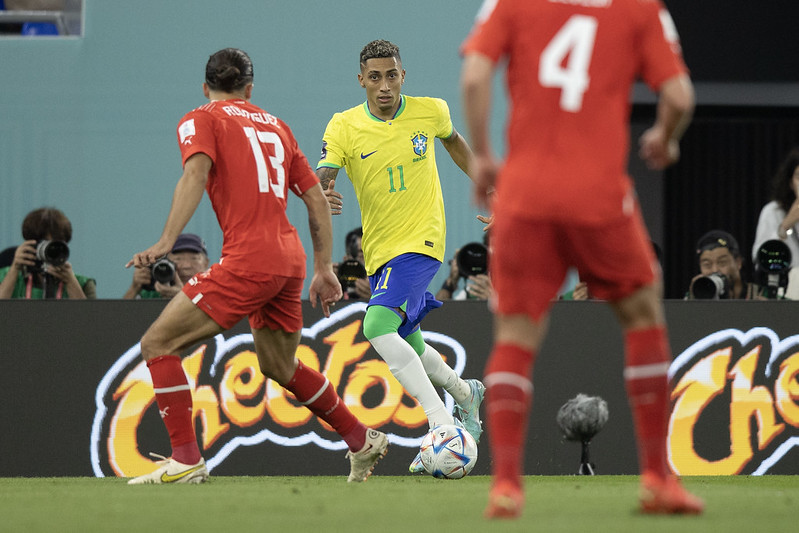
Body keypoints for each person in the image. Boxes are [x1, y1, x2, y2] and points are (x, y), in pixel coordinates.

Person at [461, 0, 703, 518]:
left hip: (524, 198)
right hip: (599, 196)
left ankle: (505, 485)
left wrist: (482, 155)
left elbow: (476, 75)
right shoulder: (639, 10)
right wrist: (666, 136)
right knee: (642, 312)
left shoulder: (510, 3)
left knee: (515, 335)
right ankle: (658, 479)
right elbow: (680, 95)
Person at [125, 48, 387, 485]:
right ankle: (360, 438)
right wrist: (324, 268)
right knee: (280, 367)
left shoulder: (201, 118)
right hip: (290, 261)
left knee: (158, 345)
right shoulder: (278, 126)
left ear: (205, 87)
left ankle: (186, 458)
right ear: (250, 89)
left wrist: (166, 241)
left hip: (250, 259)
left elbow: (195, 174)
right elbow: (316, 198)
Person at [317, 39, 486, 473]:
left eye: (391, 75)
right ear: (362, 81)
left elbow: (455, 145)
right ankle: (465, 393)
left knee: (375, 324)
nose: (384, 85)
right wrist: (323, 188)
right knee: (405, 338)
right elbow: (326, 172)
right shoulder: (344, 125)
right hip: (380, 251)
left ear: (402, 75)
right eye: (375, 77)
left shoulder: (430, 111)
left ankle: (441, 422)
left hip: (422, 241)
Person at [0, 207, 96, 299]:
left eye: (55, 243)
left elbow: (89, 316)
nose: (50, 250)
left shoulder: (83, 284)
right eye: (43, 243)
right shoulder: (5, 277)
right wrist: (14, 270)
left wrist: (71, 282)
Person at [753, 147, 799, 298]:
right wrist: (785, 226)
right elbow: (759, 258)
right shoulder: (774, 212)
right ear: (791, 182)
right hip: (787, 293)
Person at [123, 233, 210, 299]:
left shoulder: (214, 291)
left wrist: (183, 296)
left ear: (206, 263)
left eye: (194, 259)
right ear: (166, 263)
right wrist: (134, 288)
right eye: (178, 259)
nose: (186, 266)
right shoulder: (156, 291)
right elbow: (119, 318)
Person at [687, 230, 757, 299]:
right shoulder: (696, 297)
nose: (715, 270)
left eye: (722, 262)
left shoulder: (758, 294)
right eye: (707, 264)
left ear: (738, 262)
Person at [335, 226, 371, 301]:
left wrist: (376, 296)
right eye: (361, 255)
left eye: (370, 255)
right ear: (346, 259)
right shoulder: (337, 282)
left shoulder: (386, 284)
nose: (367, 261)